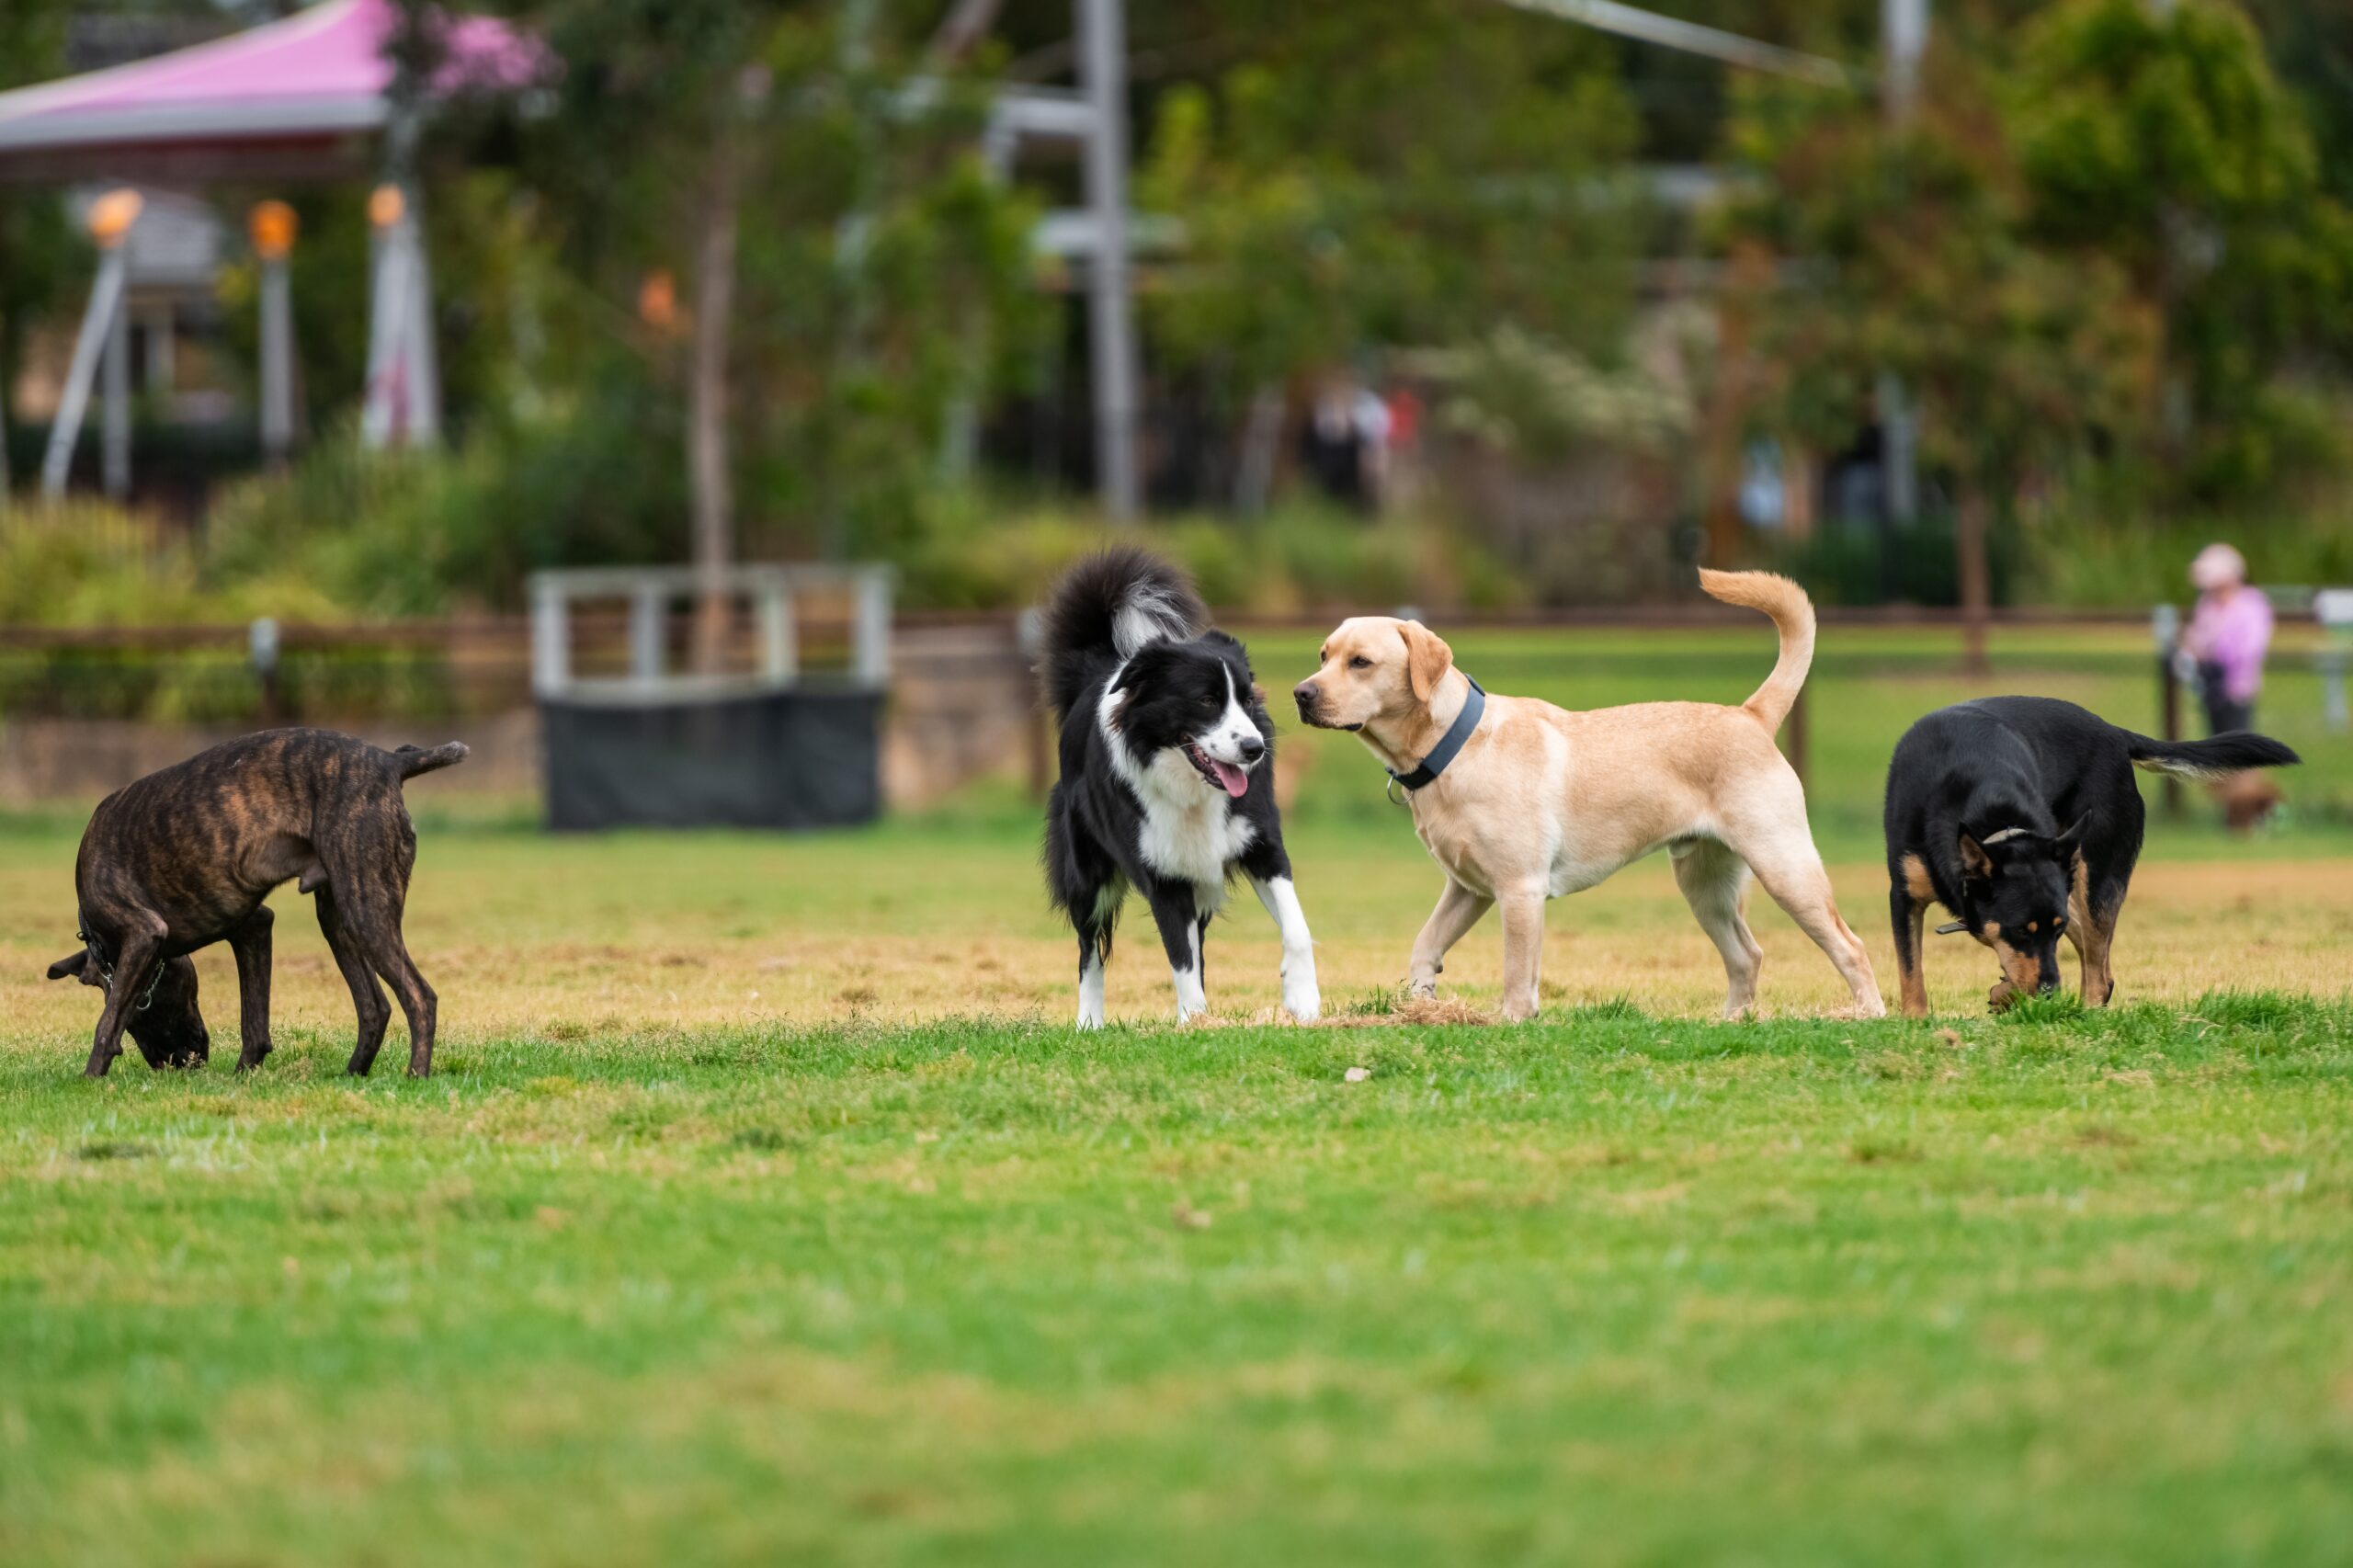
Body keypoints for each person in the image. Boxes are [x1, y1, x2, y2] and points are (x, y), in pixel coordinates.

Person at [2182, 543, 2273, 734]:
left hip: (2237, 688)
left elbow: (2250, 647)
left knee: (2241, 747)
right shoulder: (2207, 604)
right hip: (2209, 685)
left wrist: (2219, 655)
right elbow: (2198, 637)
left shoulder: (2250, 604)